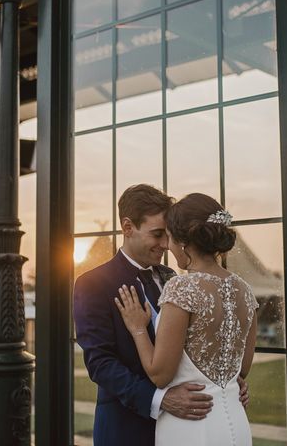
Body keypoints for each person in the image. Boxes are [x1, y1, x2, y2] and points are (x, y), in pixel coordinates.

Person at [73, 185, 249, 446]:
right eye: (157, 235)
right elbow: (100, 363)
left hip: (191, 425)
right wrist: (160, 399)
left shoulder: (175, 277)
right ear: (128, 227)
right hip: (127, 429)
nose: (166, 244)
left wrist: (230, 381)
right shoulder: (93, 283)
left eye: (168, 235)